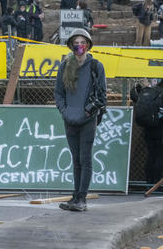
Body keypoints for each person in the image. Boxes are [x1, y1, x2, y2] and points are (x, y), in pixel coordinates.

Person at [54, 28, 106, 212]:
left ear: (88, 45)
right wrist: (64, 111)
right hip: (70, 119)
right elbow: (59, 93)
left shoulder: (95, 66)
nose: (79, 46)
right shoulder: (65, 66)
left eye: (82, 42)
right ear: (71, 45)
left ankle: (82, 198)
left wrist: (88, 112)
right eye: (75, 43)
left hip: (87, 119)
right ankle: (75, 196)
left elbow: (102, 95)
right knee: (75, 159)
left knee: (85, 158)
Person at [130, 79, 163, 184]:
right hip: (161, 129)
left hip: (148, 128)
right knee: (159, 155)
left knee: (151, 154)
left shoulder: (150, 92)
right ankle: (156, 181)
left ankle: (148, 180)